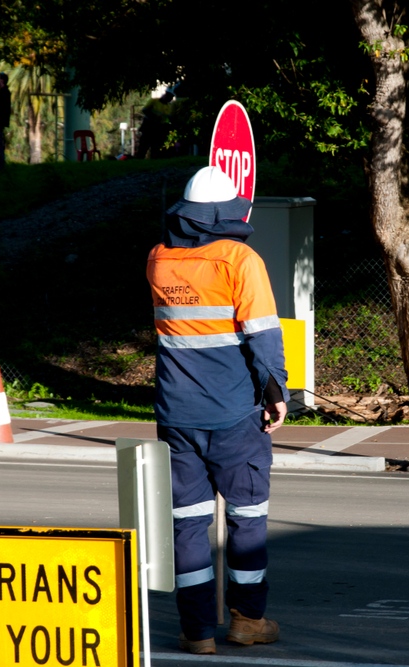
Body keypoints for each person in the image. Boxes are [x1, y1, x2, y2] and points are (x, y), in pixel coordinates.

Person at [145, 166, 289, 655]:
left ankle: (197, 631)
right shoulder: (239, 258)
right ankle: (247, 619)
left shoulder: (158, 261)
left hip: (176, 415)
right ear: (227, 213)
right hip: (234, 413)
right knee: (247, 518)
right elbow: (263, 334)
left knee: (188, 522)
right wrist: (277, 393)